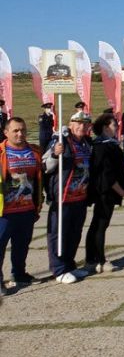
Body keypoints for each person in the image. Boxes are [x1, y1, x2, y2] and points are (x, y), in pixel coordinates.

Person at [44, 110, 93, 283]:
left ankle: (70, 265)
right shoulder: (61, 140)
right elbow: (46, 165)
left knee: (74, 233)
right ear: (71, 124)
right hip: (62, 197)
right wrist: (54, 153)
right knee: (58, 234)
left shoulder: (87, 142)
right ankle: (59, 269)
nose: (82, 126)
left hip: (80, 196)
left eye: (85, 124)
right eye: (78, 123)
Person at [0, 118, 43, 294]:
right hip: (4, 212)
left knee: (22, 245)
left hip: (27, 209)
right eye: (16, 130)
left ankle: (19, 273)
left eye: (23, 130)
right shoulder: (1, 152)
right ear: (6, 132)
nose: (20, 134)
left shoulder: (34, 151)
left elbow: (42, 175)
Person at [84, 113, 124, 273]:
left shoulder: (110, 144)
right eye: (114, 125)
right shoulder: (102, 146)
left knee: (98, 224)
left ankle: (92, 258)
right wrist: (121, 191)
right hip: (104, 191)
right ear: (105, 127)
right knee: (100, 225)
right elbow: (107, 174)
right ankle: (98, 259)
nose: (116, 127)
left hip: (107, 191)